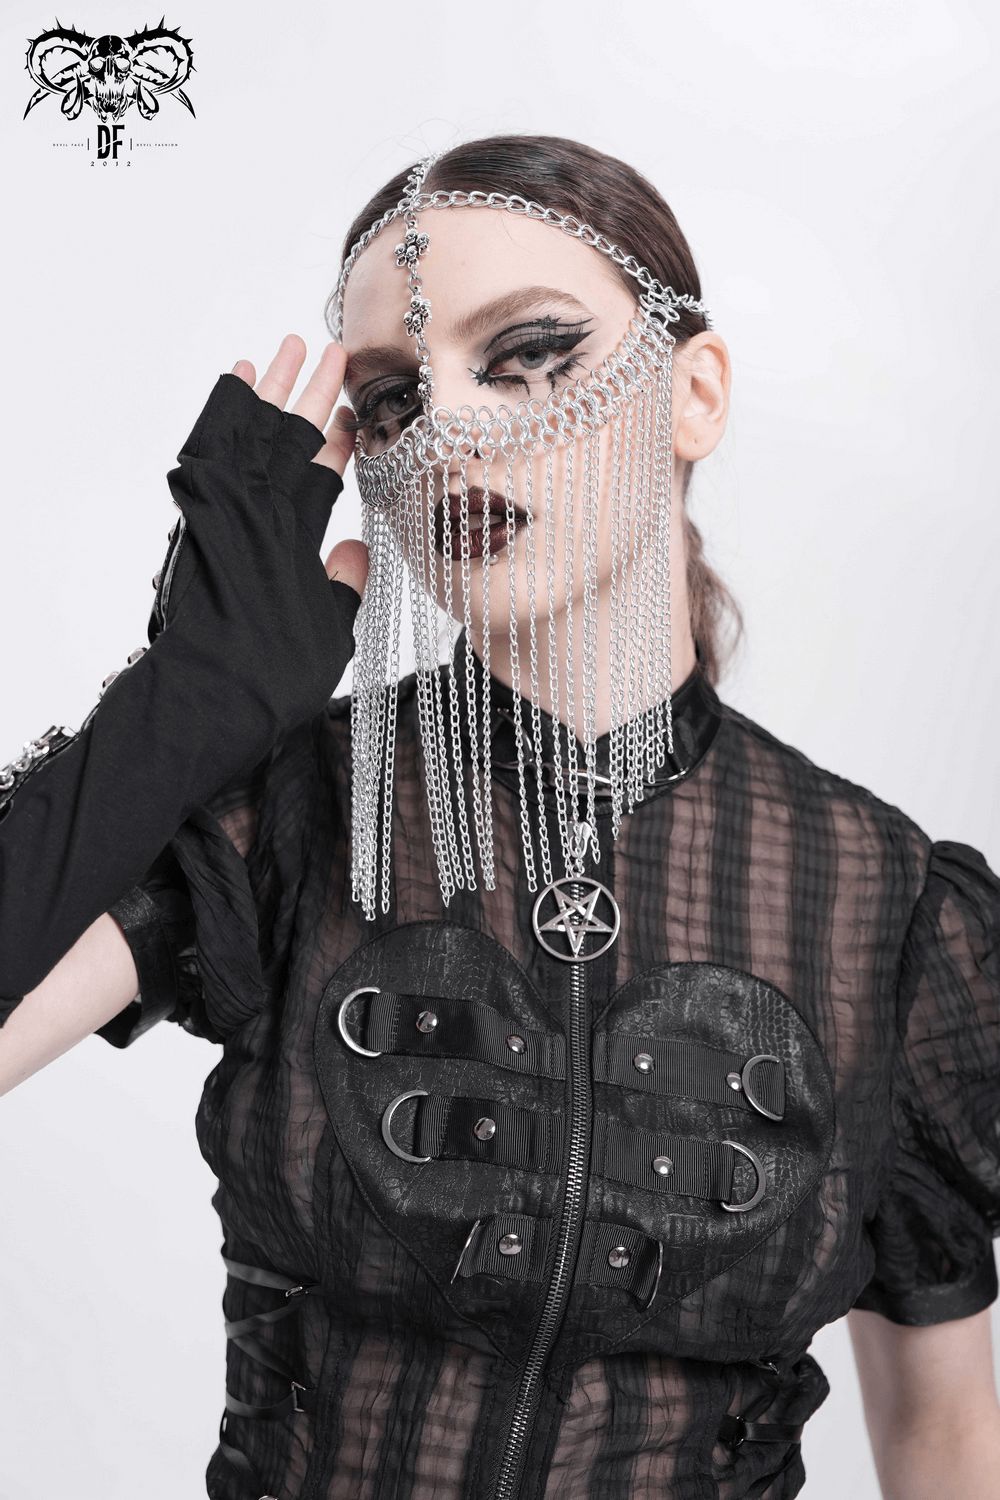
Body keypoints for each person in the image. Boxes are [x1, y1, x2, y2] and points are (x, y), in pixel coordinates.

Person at [1, 135, 998, 1500]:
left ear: (694, 390)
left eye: (527, 355)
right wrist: (192, 703)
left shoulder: (889, 907)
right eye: (396, 401)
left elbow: (946, 1438)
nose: (453, 428)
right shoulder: (287, 815)